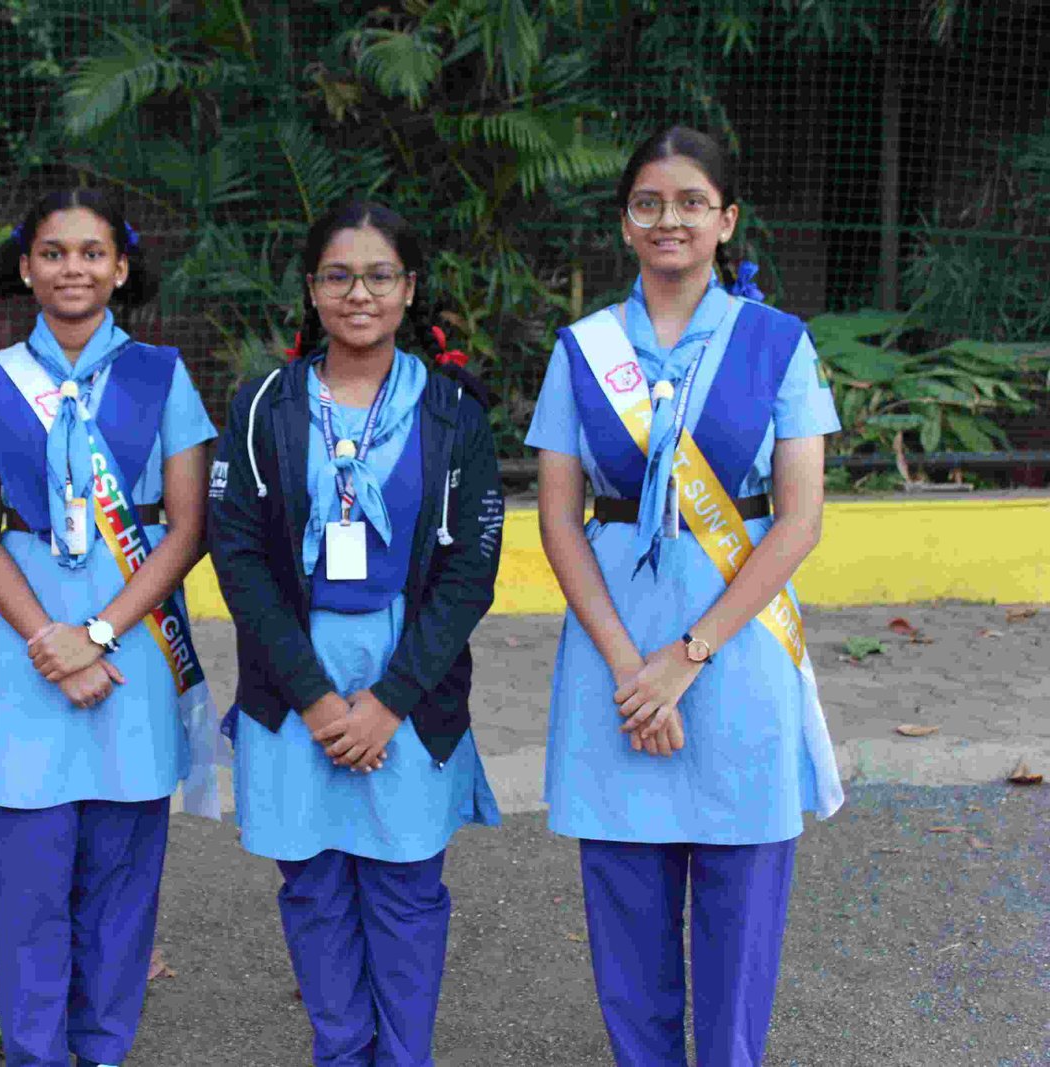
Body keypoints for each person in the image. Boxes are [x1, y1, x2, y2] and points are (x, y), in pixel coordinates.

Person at [526, 125, 844, 1065]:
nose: (671, 220)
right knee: (625, 902)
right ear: (626, 223)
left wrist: (686, 655)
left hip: (736, 650)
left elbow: (799, 520)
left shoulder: (778, 344)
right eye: (650, 203)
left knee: (743, 903)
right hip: (615, 651)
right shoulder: (583, 351)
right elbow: (559, 519)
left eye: (692, 203)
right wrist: (635, 668)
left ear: (726, 220)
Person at [208, 200, 503, 1067]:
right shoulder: (264, 407)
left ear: (409, 288)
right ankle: (340, 1052)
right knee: (313, 886)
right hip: (293, 686)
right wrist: (314, 697)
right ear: (311, 288)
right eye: (338, 276)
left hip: (407, 687)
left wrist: (387, 703)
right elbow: (238, 557)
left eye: (379, 275)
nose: (359, 293)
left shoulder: (454, 412)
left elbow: (470, 573)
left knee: (406, 886)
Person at [0, 187, 218, 1067]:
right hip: (29, 654)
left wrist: (96, 636)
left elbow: (186, 528)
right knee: (29, 887)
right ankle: (35, 1053)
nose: (74, 269)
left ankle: (102, 1050)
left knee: (121, 886)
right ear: (26, 267)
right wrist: (51, 645)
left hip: (131, 645)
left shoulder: (161, 375)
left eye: (92, 253)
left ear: (121, 267)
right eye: (54, 253)